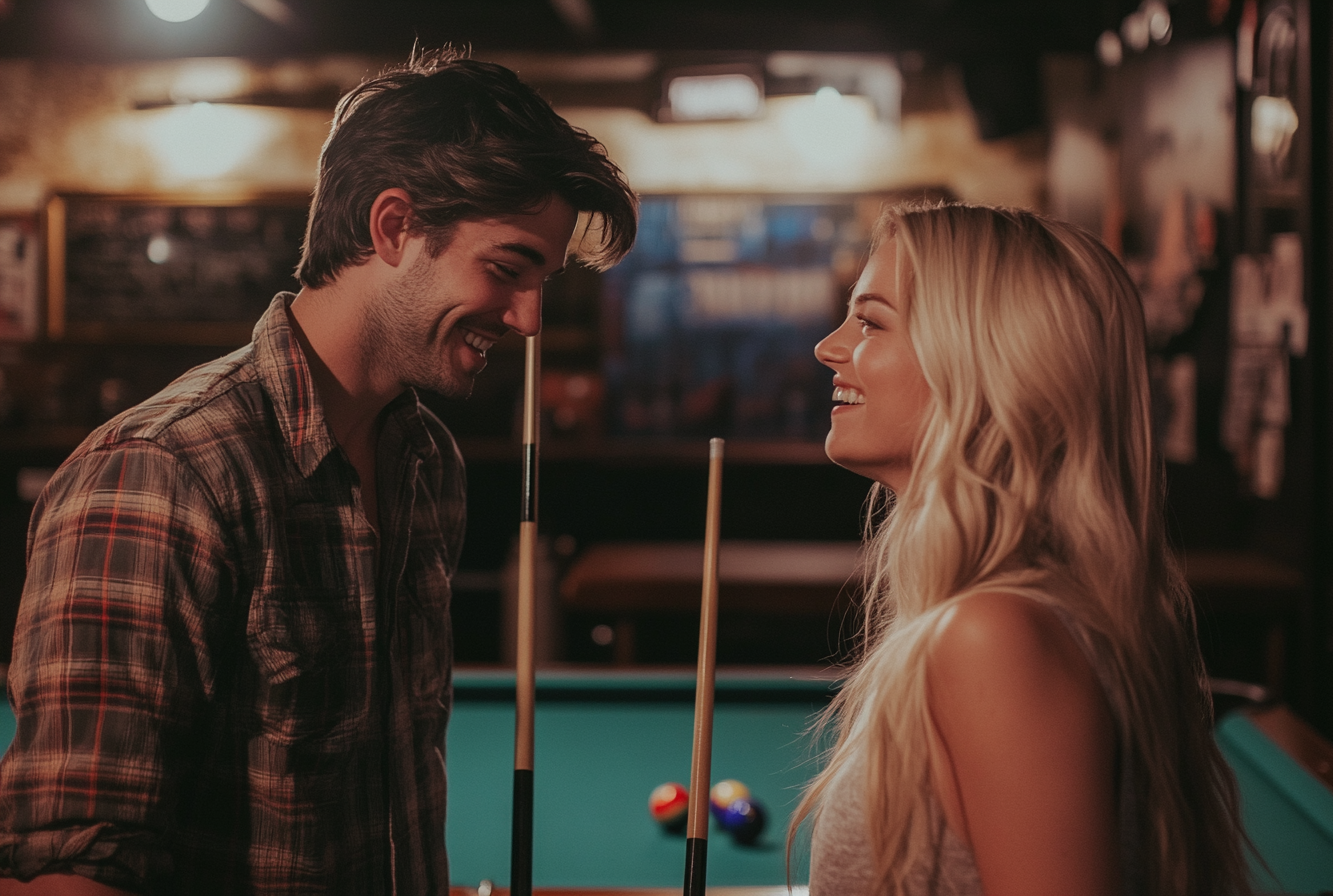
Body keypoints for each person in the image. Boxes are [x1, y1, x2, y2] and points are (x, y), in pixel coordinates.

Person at [0, 47, 637, 895]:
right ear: (393, 227)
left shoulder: (426, 462)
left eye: (542, 283)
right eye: (507, 268)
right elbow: (68, 870)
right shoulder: (161, 475)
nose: (527, 318)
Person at [794, 202, 1250, 895]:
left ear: (979, 362)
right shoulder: (1017, 614)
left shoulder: (993, 634)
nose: (829, 347)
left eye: (870, 321)